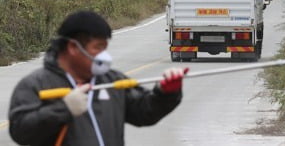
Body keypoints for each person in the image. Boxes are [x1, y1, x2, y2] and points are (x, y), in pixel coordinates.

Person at [8, 10, 188, 146]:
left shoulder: (111, 81)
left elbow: (144, 113)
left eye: (105, 48)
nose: (104, 56)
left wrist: (166, 94)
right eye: (98, 47)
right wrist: (63, 109)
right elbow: (20, 131)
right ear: (73, 47)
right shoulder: (36, 85)